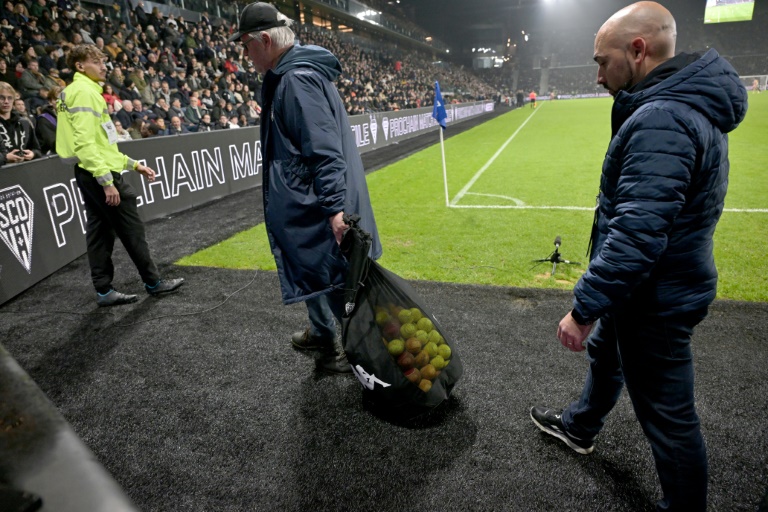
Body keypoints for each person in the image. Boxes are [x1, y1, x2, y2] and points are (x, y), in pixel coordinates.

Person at [529, 3, 748, 511]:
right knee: (609, 354)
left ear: (638, 50)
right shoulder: (675, 106)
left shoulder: (662, 118)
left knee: (670, 422)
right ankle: (581, 426)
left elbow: (637, 233)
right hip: (649, 287)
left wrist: (583, 308)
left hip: (656, 297)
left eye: (603, 62)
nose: (598, 75)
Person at [231, 2, 382, 374]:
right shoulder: (293, 74)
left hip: (317, 202)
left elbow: (324, 149)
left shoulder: (296, 79)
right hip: (305, 199)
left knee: (332, 276)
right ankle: (322, 332)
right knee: (311, 270)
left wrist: (334, 208)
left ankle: (352, 353)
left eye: (245, 45)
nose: (244, 54)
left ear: (265, 40)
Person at [56, 44, 184, 306]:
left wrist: (133, 164)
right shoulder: (84, 93)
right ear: (80, 66)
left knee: (99, 232)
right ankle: (154, 282)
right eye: (96, 61)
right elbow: (86, 144)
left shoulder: (81, 91)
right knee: (131, 230)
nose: (104, 66)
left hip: (88, 170)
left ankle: (104, 290)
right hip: (97, 173)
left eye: (103, 61)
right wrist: (106, 181)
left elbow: (101, 144)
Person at [0, 81, 41, 166]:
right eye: (1, 98)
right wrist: (5, 158)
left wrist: (33, 154)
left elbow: (37, 149)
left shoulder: (24, 123)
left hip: (23, 173)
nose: (6, 101)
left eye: (10, 98)